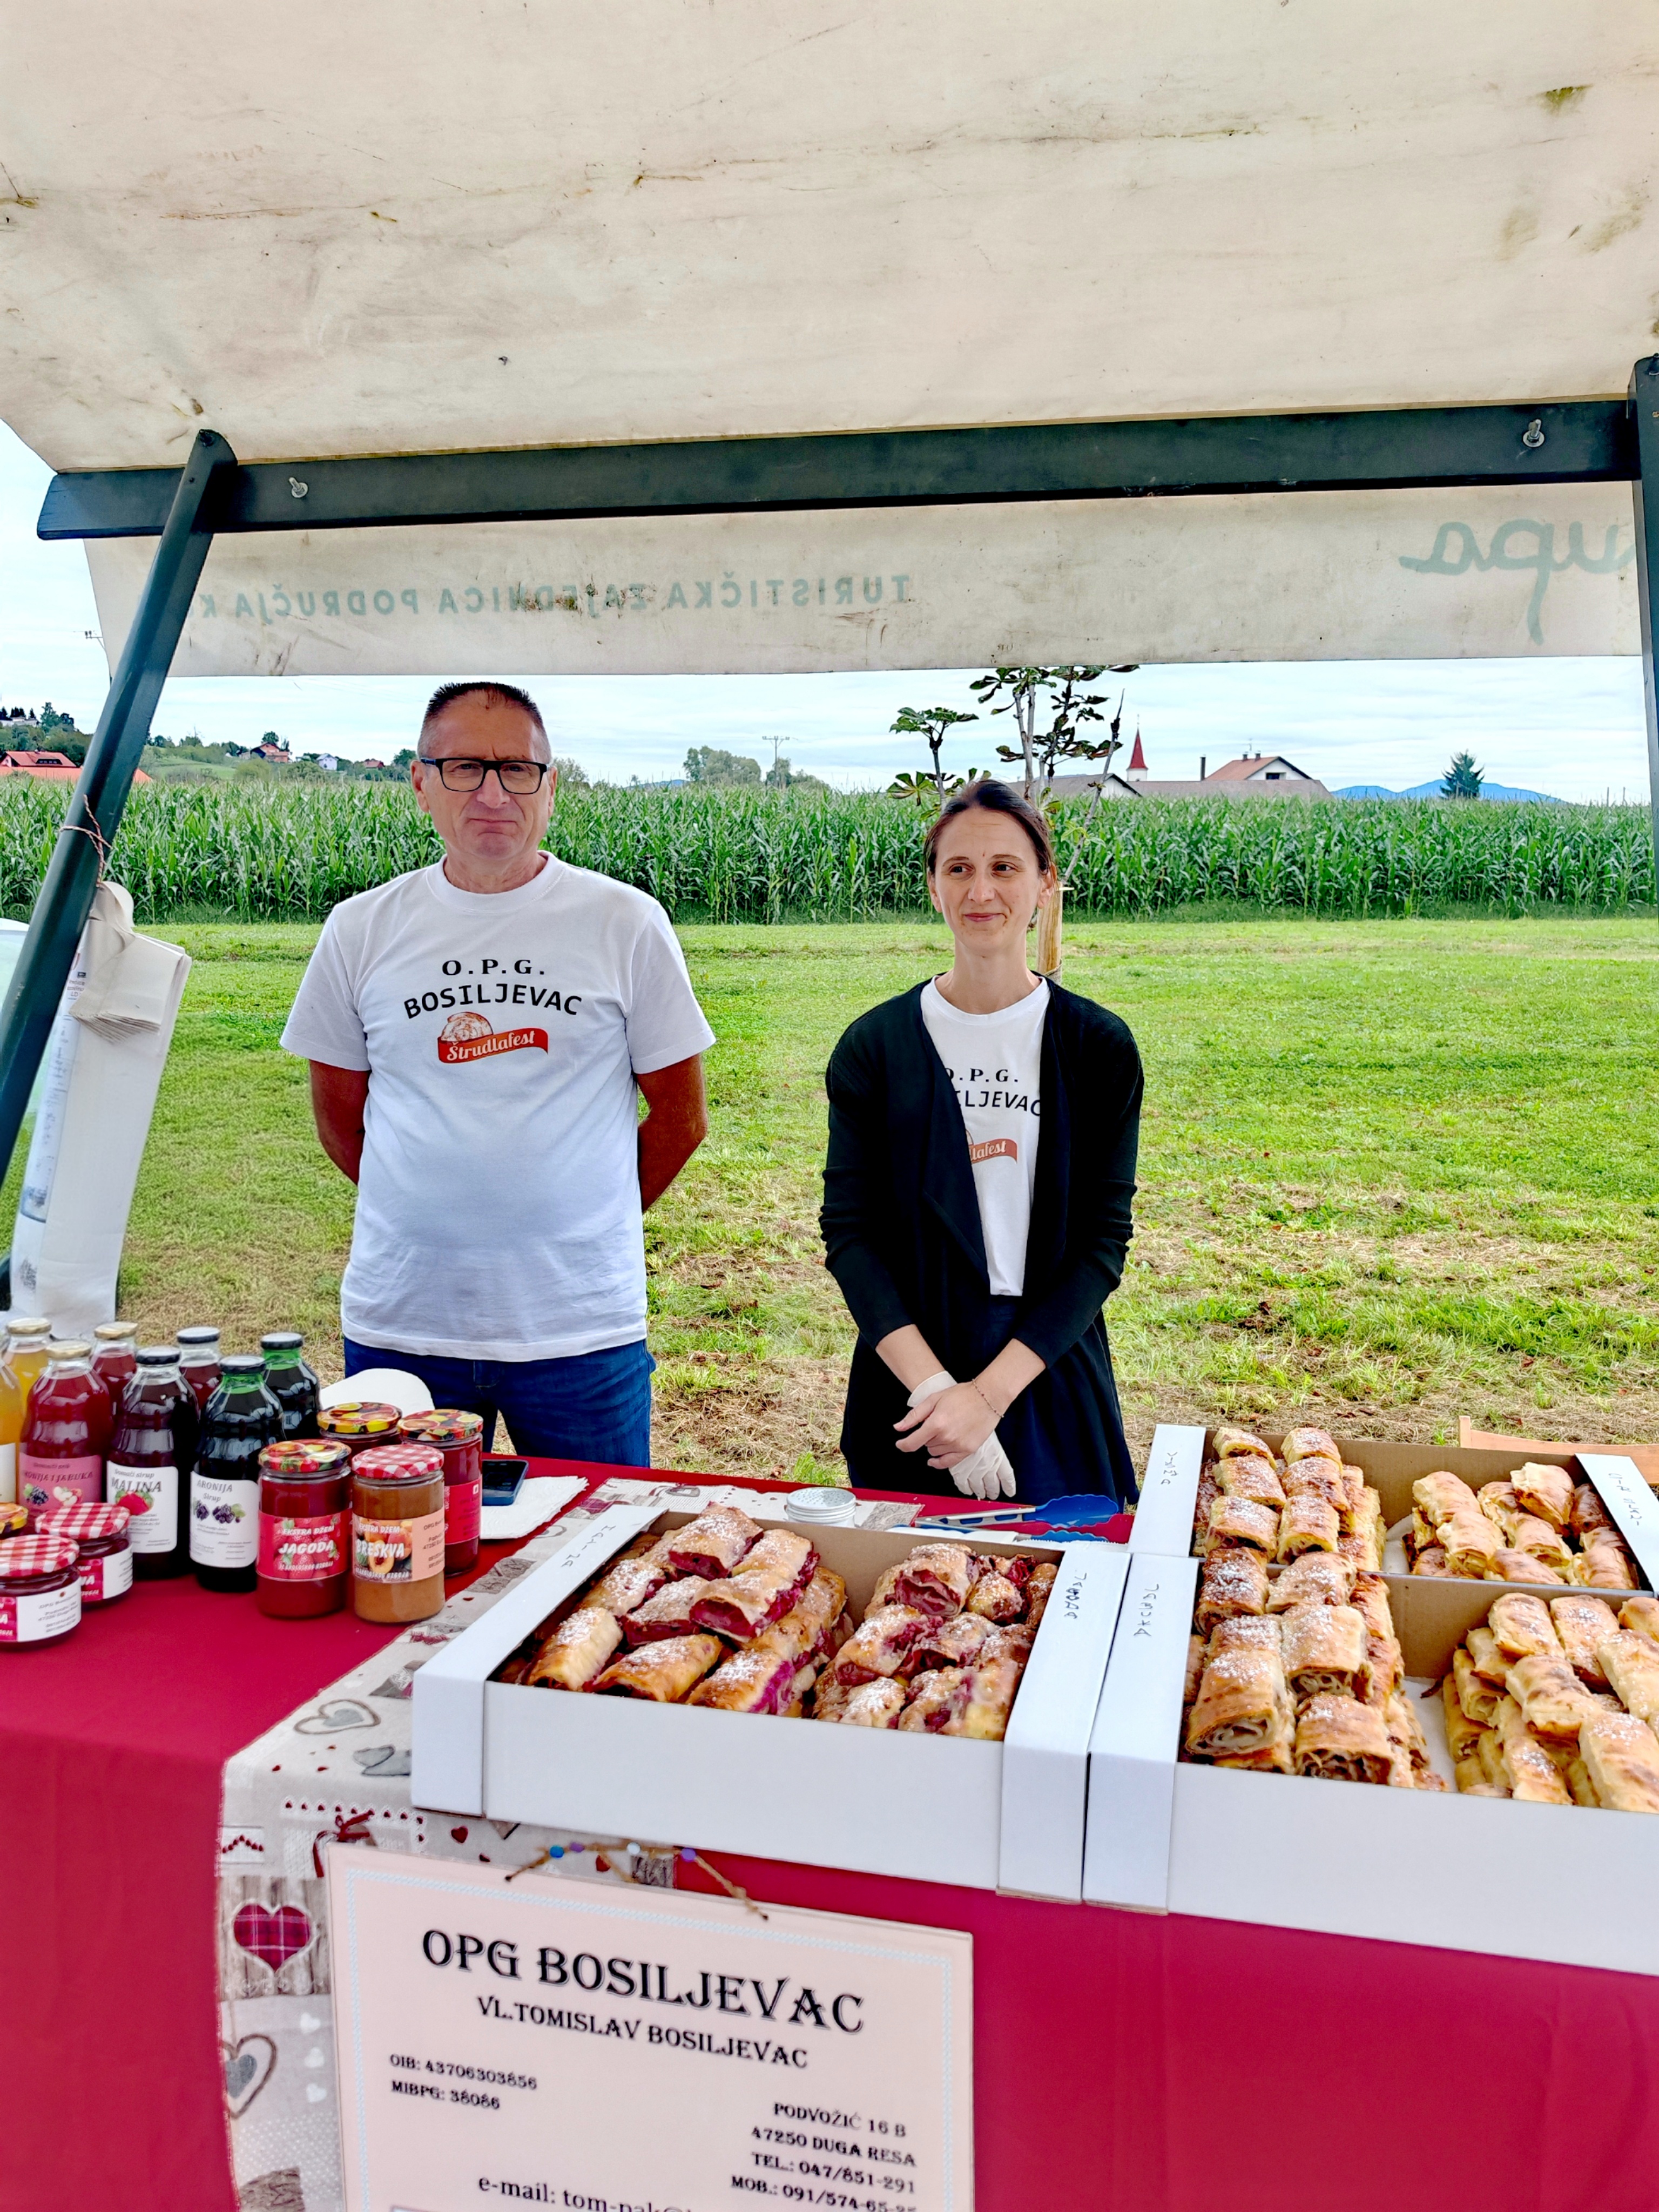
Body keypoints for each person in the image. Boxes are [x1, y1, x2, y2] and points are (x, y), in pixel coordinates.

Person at [280, 680, 714, 1465]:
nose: (492, 794)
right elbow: (341, 1122)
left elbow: (682, 1120)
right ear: (421, 783)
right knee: (400, 1532)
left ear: (551, 787)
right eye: (464, 768)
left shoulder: (624, 923)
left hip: (579, 1330)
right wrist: (437, 1214)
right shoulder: (360, 930)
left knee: (598, 1534)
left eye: (517, 769)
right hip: (404, 1324)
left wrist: (586, 1220)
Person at [820, 779, 1142, 1505]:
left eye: (1005, 867)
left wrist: (988, 1398)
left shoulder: (1097, 1047)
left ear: (1045, 883)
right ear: (933, 887)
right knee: (912, 1576)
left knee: (1053, 1571)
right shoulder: (876, 1048)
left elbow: (1101, 1244)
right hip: (912, 1385)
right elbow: (851, 1235)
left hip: (1045, 1365)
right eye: (959, 868)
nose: (981, 890)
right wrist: (938, 1392)